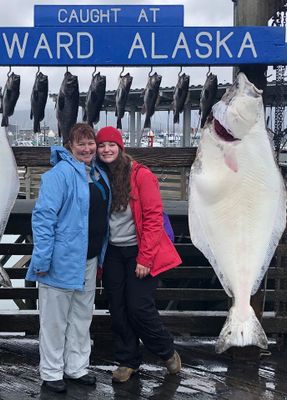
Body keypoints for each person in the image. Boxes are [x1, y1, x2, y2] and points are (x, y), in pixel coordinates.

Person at [26, 123, 110, 393]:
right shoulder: (57, 175)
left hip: (89, 260)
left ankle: (76, 367)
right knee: (54, 320)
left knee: (82, 317)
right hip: (60, 260)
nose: (87, 148)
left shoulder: (98, 173)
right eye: (80, 144)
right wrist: (41, 259)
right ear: (69, 147)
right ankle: (51, 372)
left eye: (90, 143)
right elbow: (43, 218)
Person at [95, 126, 182, 383]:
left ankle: (166, 351)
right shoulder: (99, 176)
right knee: (117, 308)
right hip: (112, 252)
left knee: (139, 307)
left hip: (139, 251)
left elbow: (154, 218)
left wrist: (145, 258)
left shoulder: (141, 175)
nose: (106, 149)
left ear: (120, 147)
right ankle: (128, 360)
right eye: (101, 145)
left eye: (111, 144)